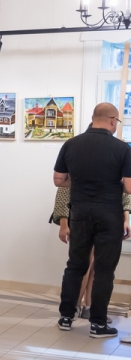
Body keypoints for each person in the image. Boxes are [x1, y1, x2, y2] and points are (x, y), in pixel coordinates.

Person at [54, 103, 131, 338]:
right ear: (112, 120)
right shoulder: (122, 148)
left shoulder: (71, 144)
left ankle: (66, 317)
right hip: (109, 215)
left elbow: (58, 180)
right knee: (104, 269)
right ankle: (98, 324)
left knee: (75, 266)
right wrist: (112, 185)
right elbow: (129, 187)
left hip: (79, 212)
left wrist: (80, 183)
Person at [52, 187, 130, 321]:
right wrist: (64, 224)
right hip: (84, 217)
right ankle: (76, 306)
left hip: (105, 219)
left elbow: (125, 195)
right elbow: (63, 192)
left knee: (98, 265)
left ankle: (87, 307)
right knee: (84, 264)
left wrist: (126, 220)